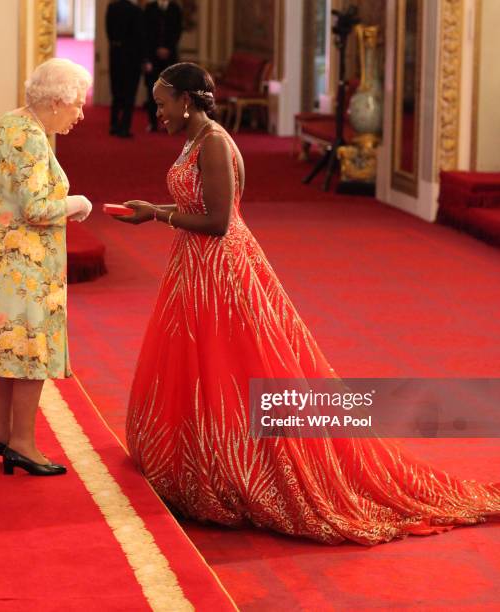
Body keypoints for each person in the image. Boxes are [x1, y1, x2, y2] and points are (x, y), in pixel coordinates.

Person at [116, 62, 500, 545]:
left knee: (232, 367)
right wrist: (156, 212)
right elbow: (212, 210)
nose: (158, 111)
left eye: (162, 102)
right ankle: (201, 455)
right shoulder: (199, 140)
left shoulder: (213, 142)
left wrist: (160, 216)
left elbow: (217, 221)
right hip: (199, 267)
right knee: (207, 369)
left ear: (186, 100)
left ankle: (232, 467)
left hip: (218, 269)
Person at [0, 58, 93, 476]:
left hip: (1, 259)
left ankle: (1, 434)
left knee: (9, 351)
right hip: (25, 270)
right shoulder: (32, 139)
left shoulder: (10, 123)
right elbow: (37, 208)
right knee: (29, 352)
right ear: (57, 101)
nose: (79, 114)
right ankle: (22, 442)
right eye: (77, 105)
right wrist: (77, 204)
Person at [106, 0, 144, 138]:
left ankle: (113, 124)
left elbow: (109, 32)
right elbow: (140, 37)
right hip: (132, 58)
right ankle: (124, 127)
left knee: (116, 92)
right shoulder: (137, 11)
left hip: (115, 55)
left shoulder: (112, 8)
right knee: (130, 94)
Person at [143, 0, 182, 131]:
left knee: (170, 92)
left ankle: (168, 123)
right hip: (153, 57)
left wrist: (168, 49)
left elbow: (177, 31)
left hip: (170, 58)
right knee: (151, 90)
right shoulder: (149, 8)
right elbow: (146, 33)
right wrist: (154, 51)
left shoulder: (175, 9)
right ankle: (153, 123)